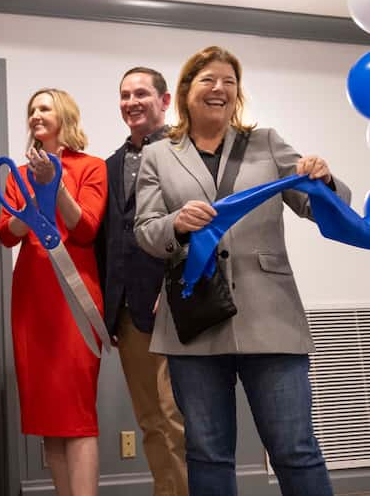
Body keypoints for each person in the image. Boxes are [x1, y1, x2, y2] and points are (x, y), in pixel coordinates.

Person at [134, 45, 349, 495]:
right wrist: (176, 223)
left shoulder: (267, 141)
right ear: (186, 90)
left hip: (271, 319)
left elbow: (319, 205)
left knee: (296, 449)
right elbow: (147, 232)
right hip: (194, 323)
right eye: (209, 79)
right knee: (207, 454)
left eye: (229, 81)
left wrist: (324, 179)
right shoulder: (157, 155)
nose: (220, 89)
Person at [0, 88, 107, 496]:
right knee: (49, 417)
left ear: (64, 114)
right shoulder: (18, 174)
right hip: (32, 298)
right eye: (31, 110)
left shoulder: (92, 167)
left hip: (75, 296)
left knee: (77, 414)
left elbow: (86, 228)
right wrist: (28, 213)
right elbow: (6, 234)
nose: (35, 115)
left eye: (43, 108)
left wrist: (55, 186)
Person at [100, 68, 187, 495]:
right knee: (151, 422)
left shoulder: (185, 150)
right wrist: (107, 309)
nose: (131, 102)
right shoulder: (110, 165)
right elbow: (111, 239)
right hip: (127, 314)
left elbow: (204, 225)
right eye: (124, 95)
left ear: (165, 100)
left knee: (177, 421)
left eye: (141, 94)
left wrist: (175, 285)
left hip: (175, 307)